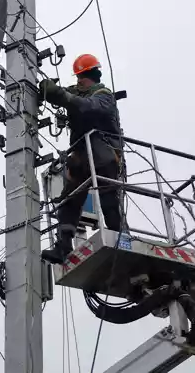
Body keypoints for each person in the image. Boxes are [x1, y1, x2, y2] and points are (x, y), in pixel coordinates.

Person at [38, 53, 124, 264]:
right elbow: (65, 95)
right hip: (81, 155)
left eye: (81, 77)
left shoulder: (104, 96)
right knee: (70, 199)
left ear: (91, 76)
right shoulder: (79, 92)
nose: (78, 81)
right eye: (77, 78)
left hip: (103, 154)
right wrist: (44, 90)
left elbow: (86, 107)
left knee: (108, 197)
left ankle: (122, 238)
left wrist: (62, 96)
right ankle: (63, 247)